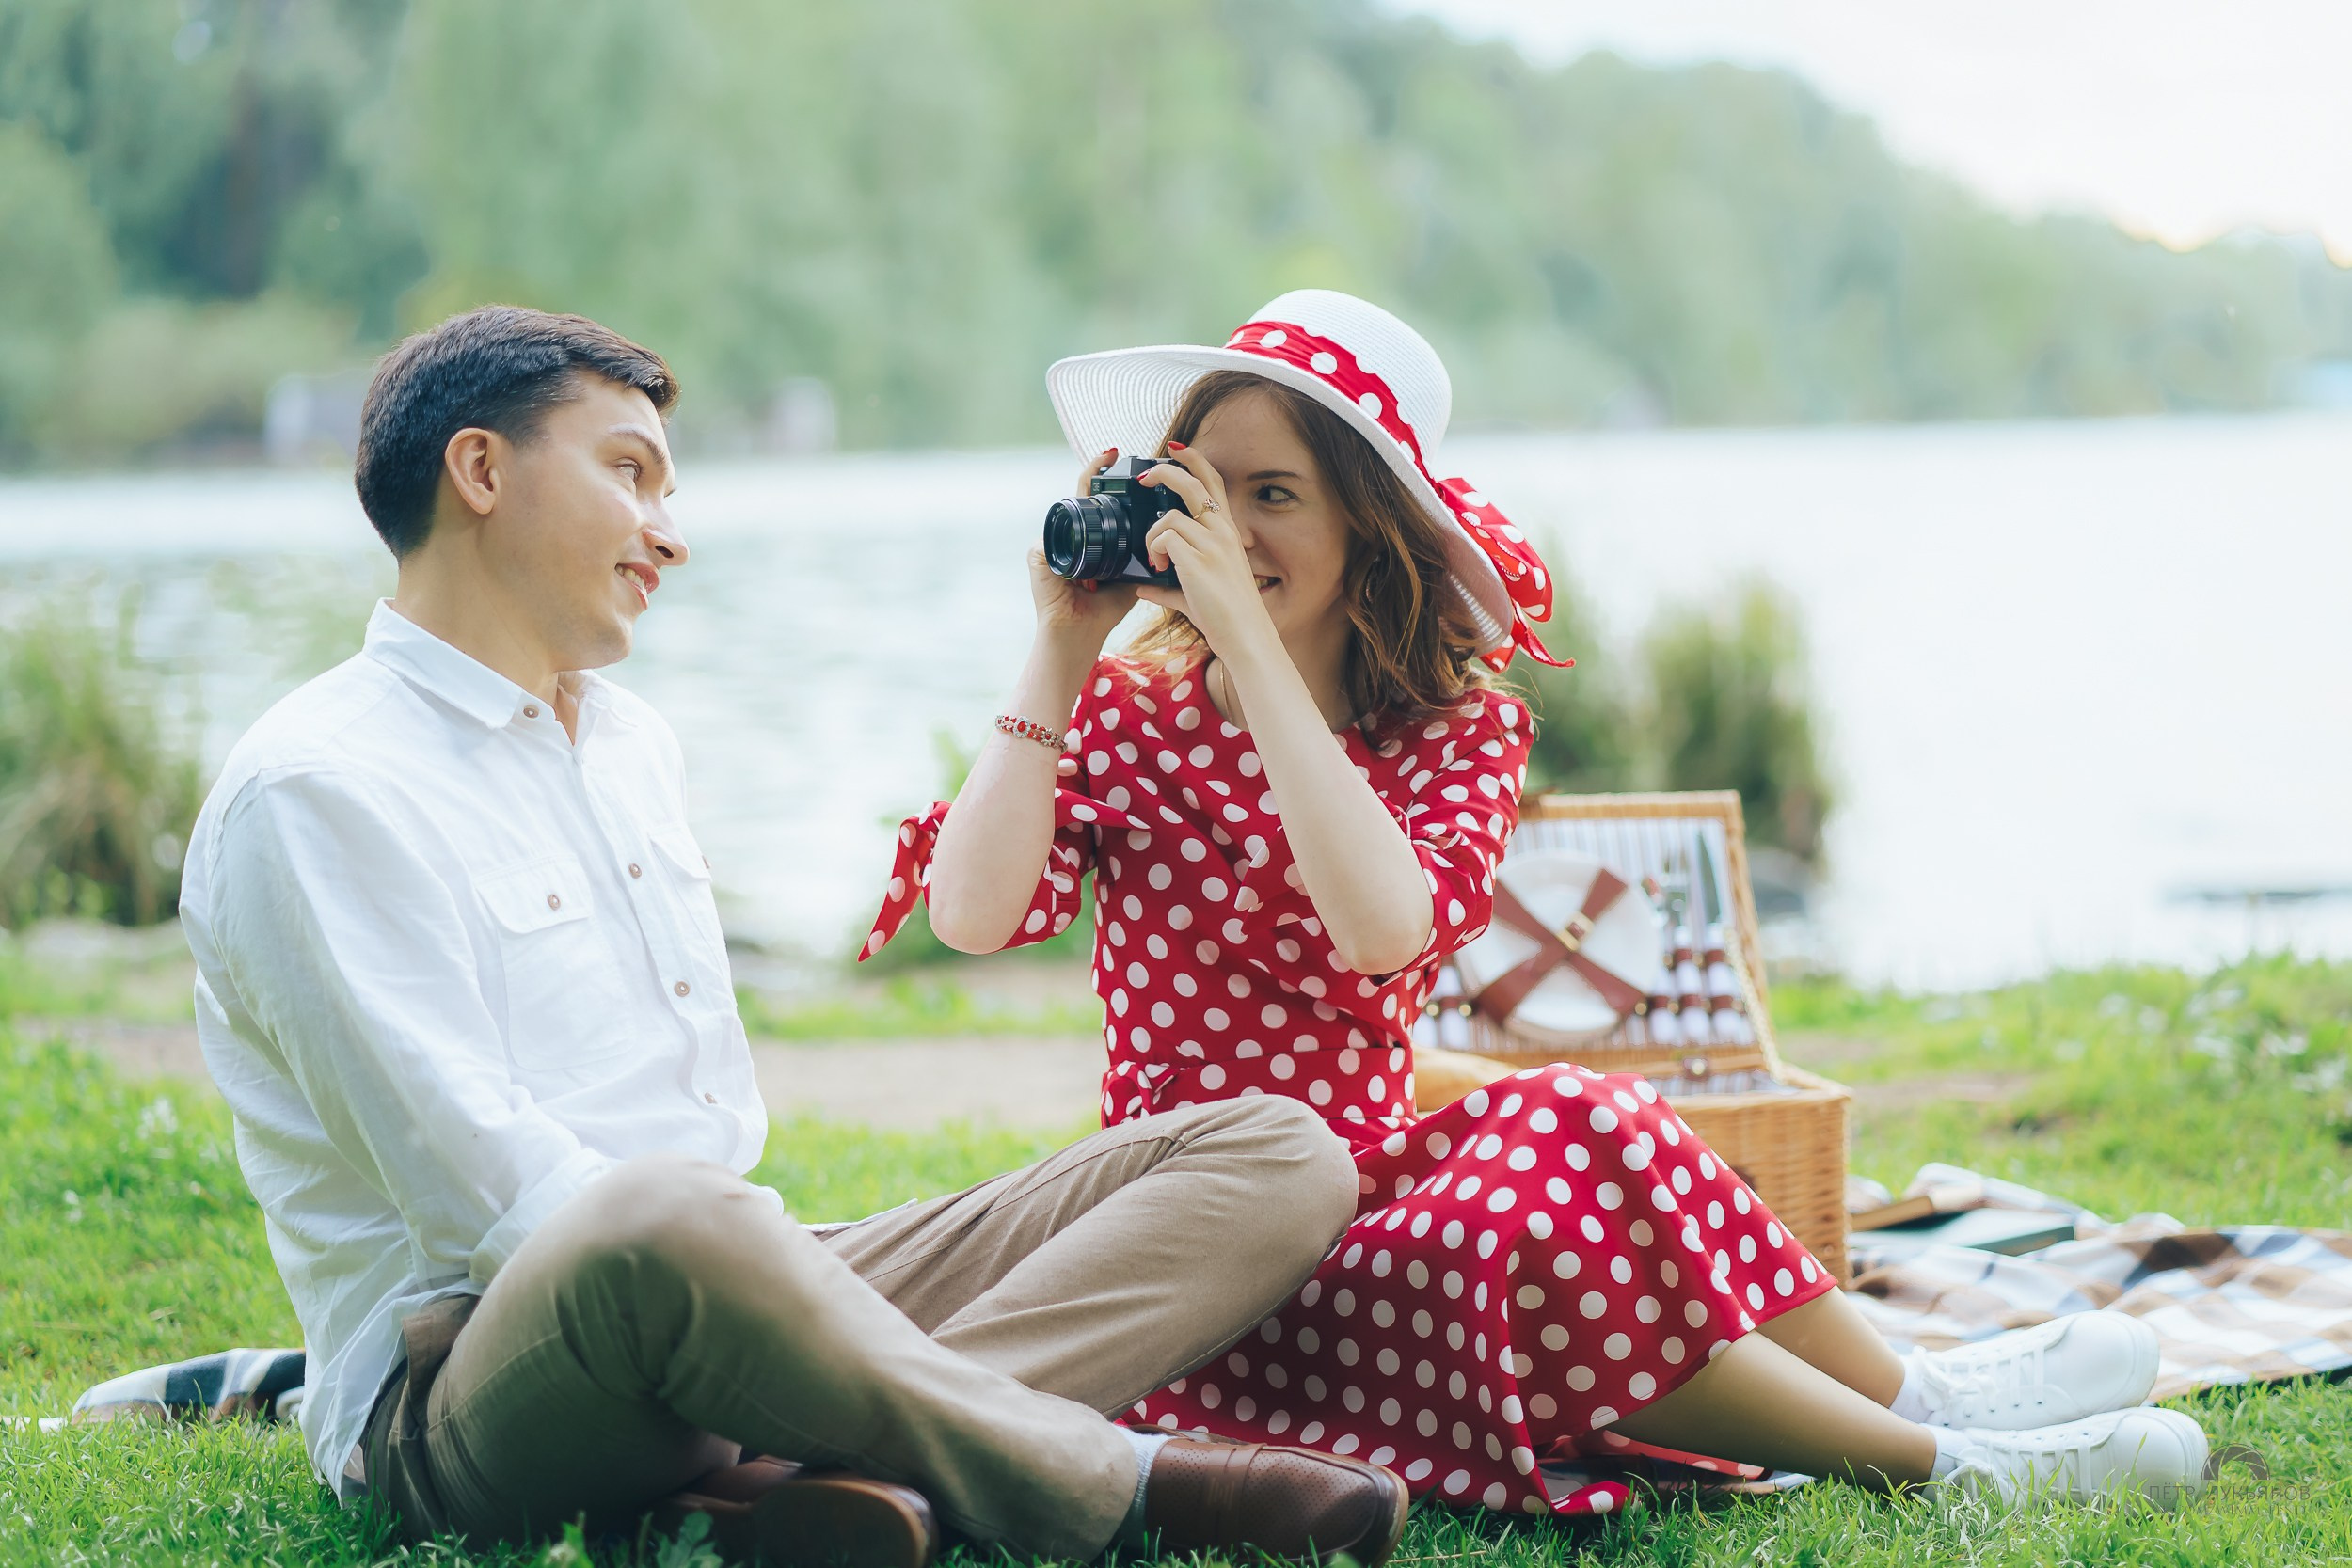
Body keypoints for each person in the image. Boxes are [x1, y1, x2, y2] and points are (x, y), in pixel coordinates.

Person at [867, 289, 2212, 1516]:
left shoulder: (1456, 733)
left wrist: (1251, 651)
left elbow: (1382, 929)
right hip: (1206, 1236)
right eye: (1205, 491)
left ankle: (1917, 1394)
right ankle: (1945, 1464)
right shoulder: (1130, 712)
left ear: (1367, 529)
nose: (1231, 531)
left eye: (1274, 494)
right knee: (1501, 1234)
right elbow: (972, 918)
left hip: (1365, 1184)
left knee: (1582, 1112)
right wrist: (1060, 644)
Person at [177, 305, 1417, 1567]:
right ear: (481, 471)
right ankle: (1127, 1484)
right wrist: (748, 1283)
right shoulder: (320, 788)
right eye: (628, 473)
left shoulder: (628, 744)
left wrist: (792, 1294)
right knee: (667, 1219)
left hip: (739, 1269)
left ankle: (815, 1482)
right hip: (479, 1371)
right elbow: (483, 1198)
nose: (670, 532)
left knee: (1280, 1153)